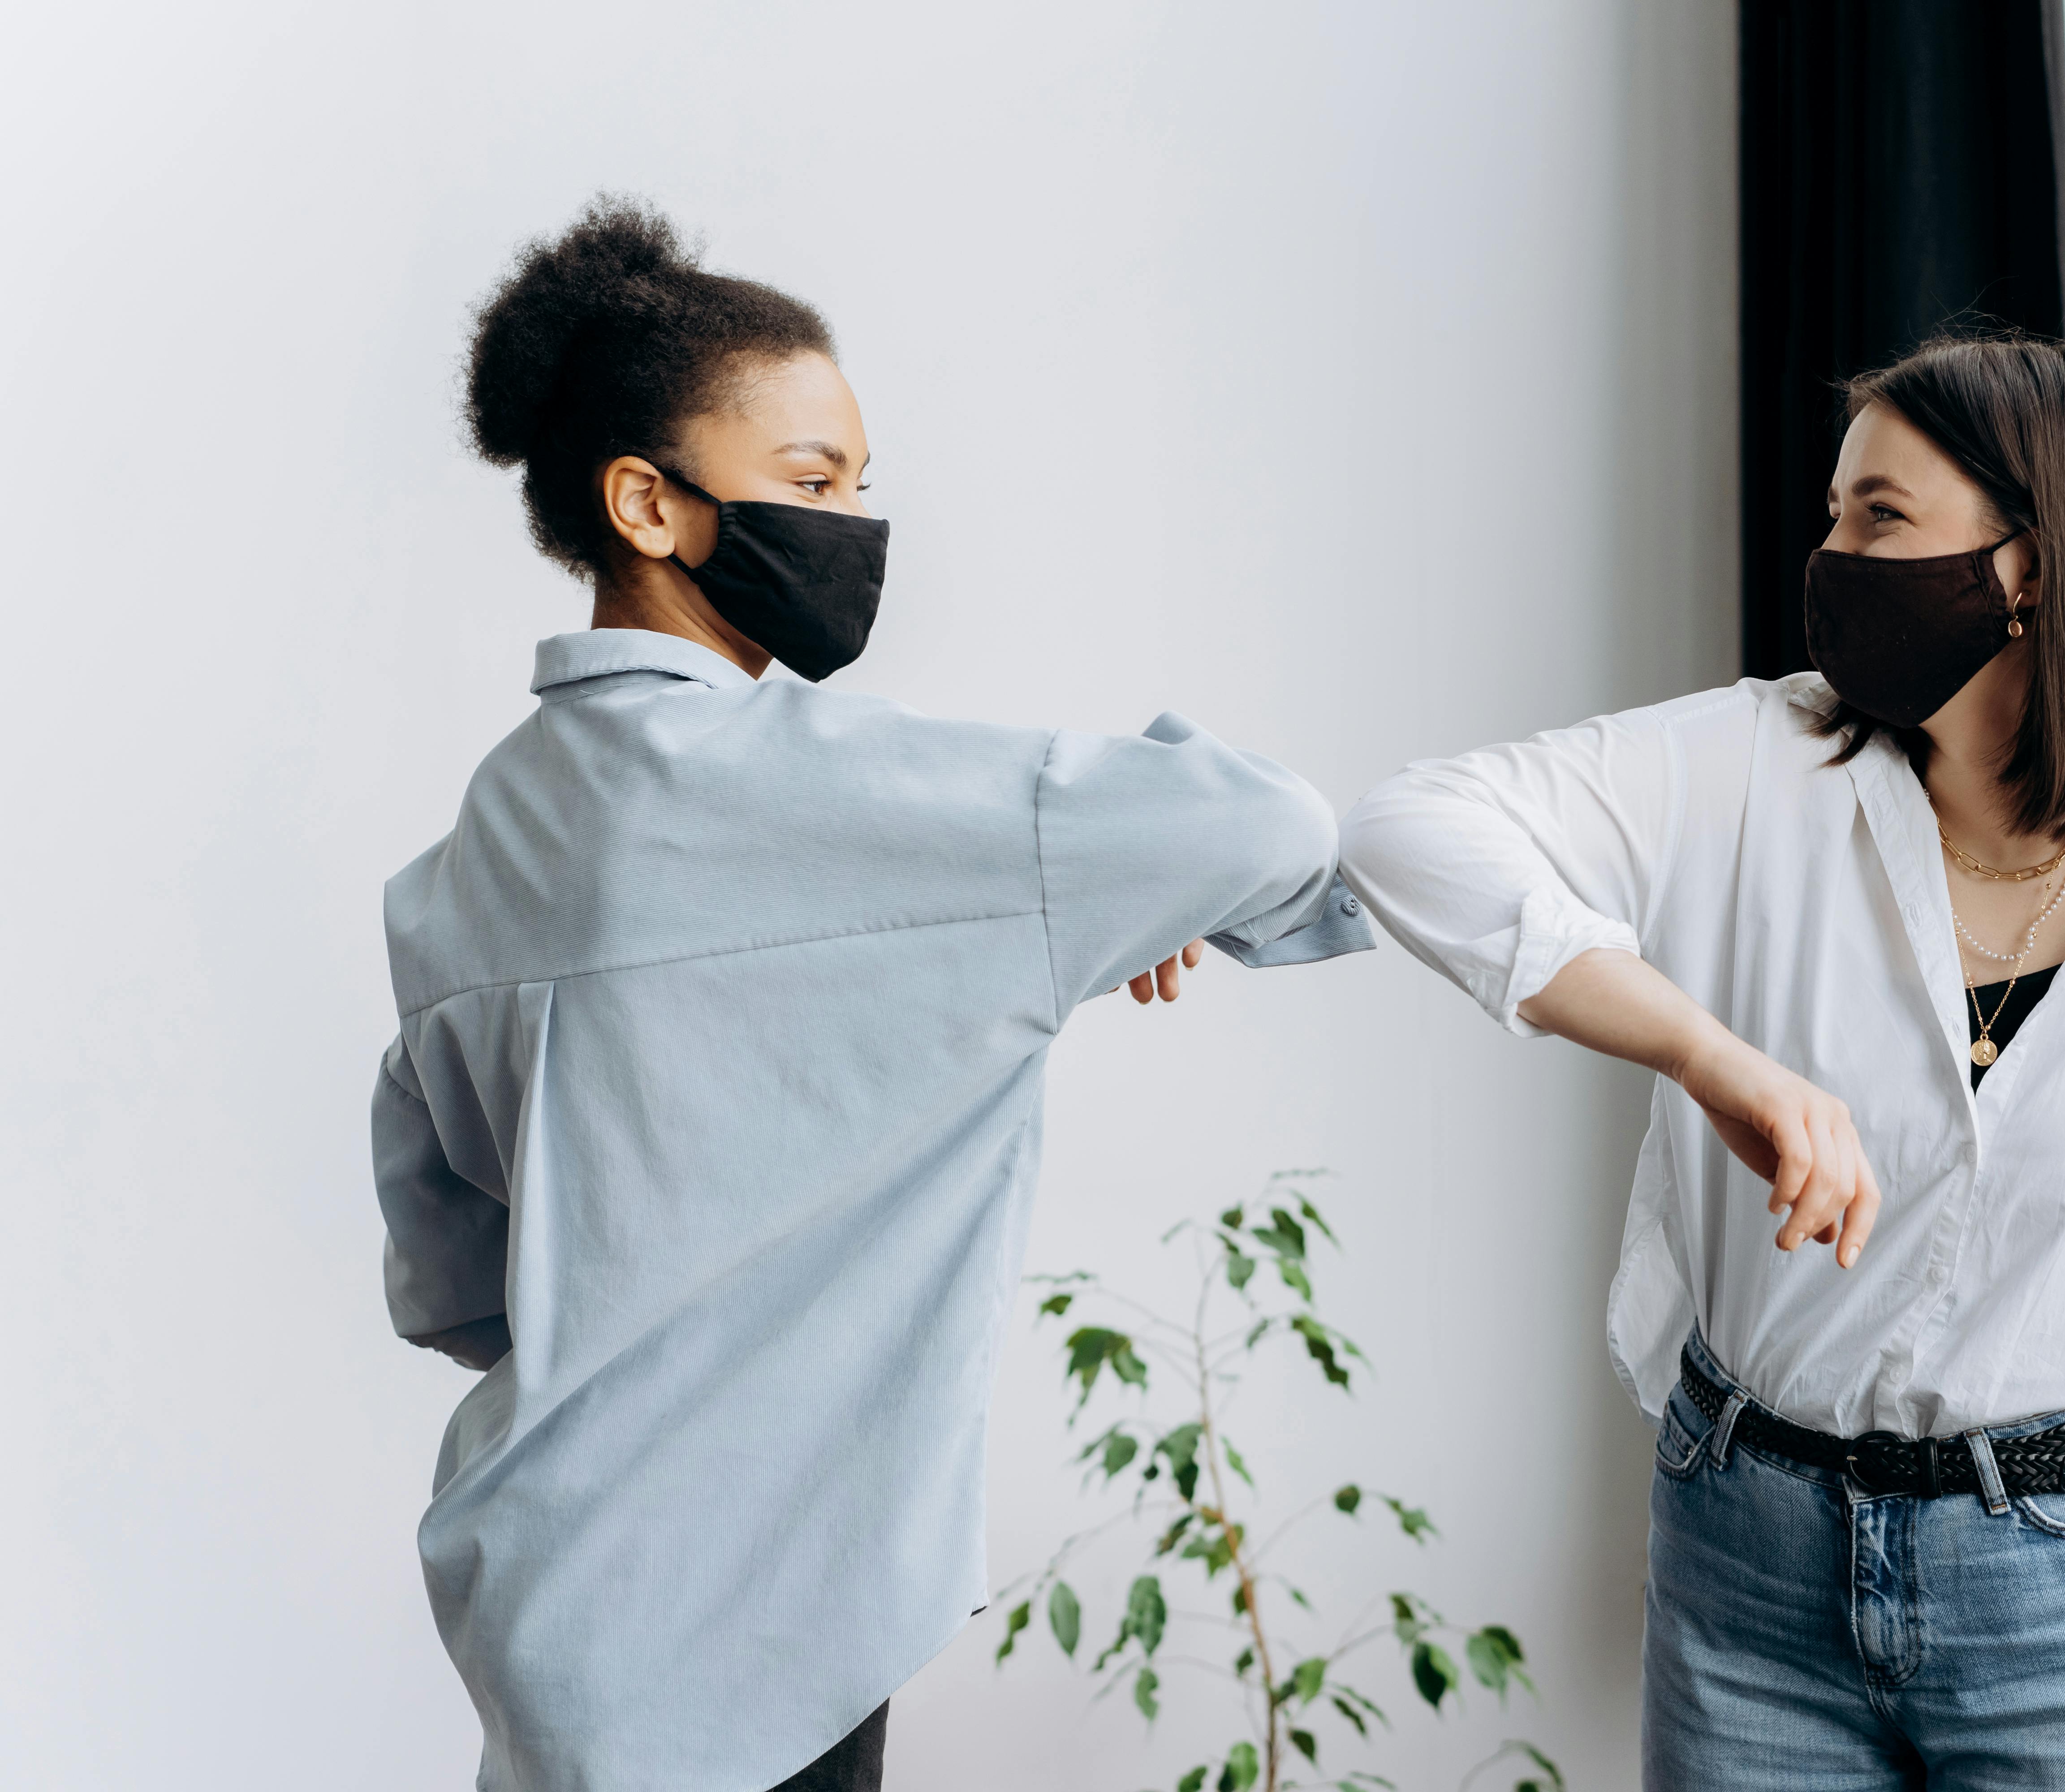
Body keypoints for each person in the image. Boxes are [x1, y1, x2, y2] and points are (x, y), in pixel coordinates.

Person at [371, 198, 1369, 1792]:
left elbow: (450, 1292)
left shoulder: (459, 870)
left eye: (858, 487)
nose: (850, 526)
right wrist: (1109, 891)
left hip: (543, 1606)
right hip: (765, 1623)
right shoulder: (830, 795)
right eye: (809, 485)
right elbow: (1272, 827)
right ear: (648, 502)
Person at [1339, 334, 2065, 1792]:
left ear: (2031, 566)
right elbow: (1408, 830)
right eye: (1834, 514)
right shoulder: (1761, 763)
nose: (1831, 555)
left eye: (1880, 518)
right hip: (1750, 1570)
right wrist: (1711, 1056)